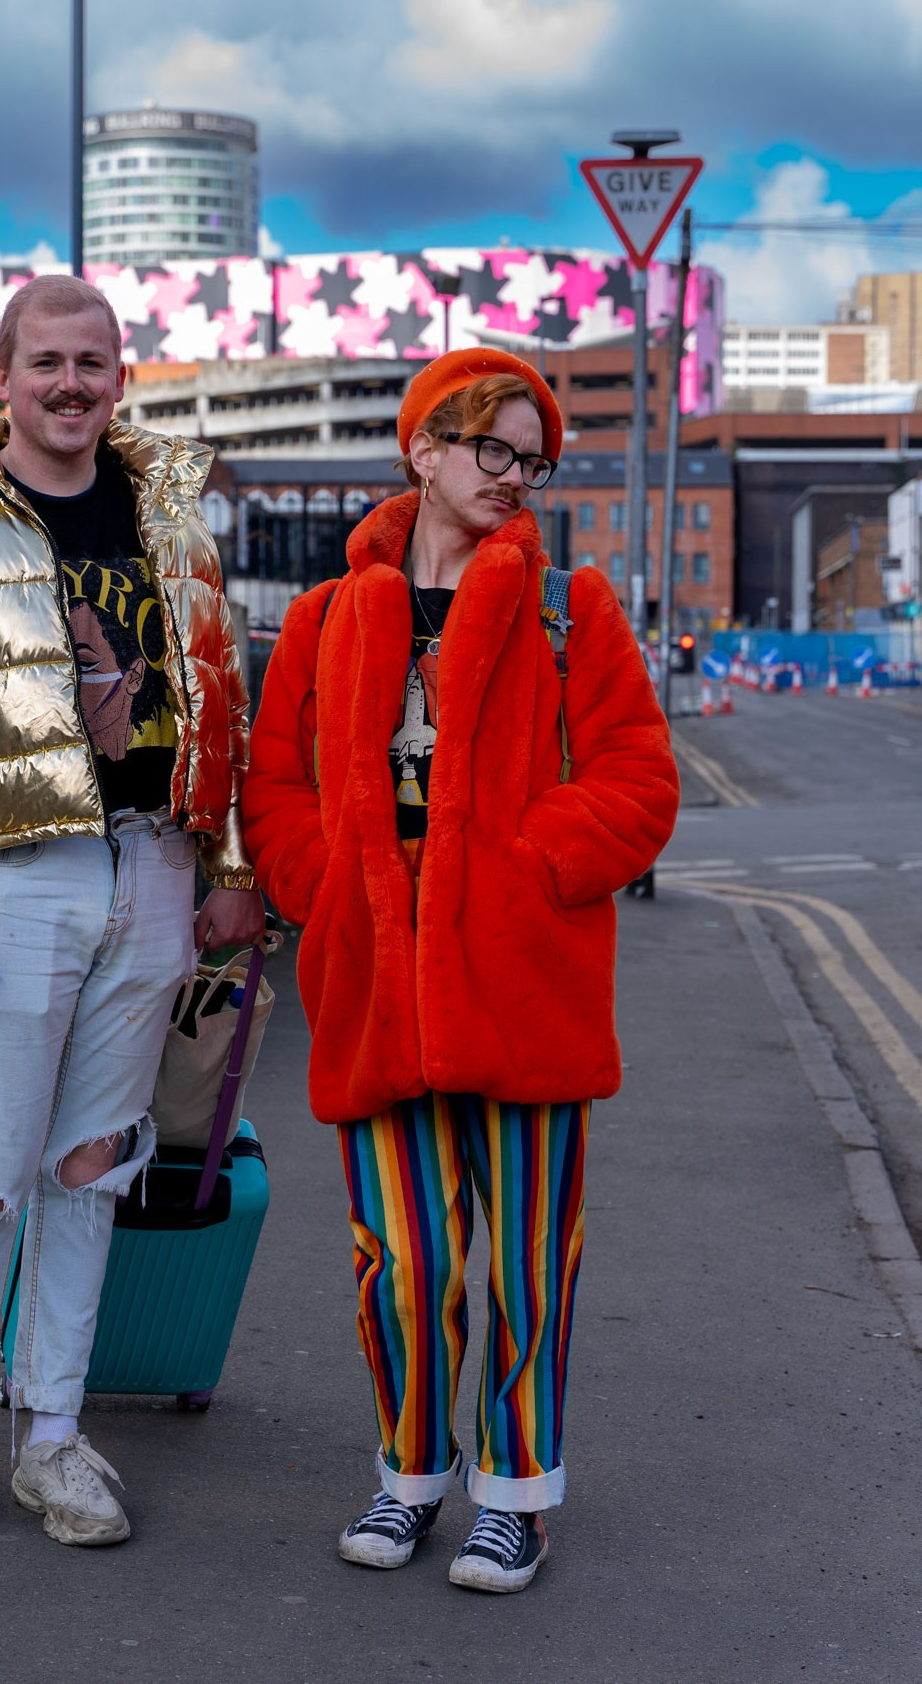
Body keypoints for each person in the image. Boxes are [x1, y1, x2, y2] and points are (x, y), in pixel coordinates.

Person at [243, 347, 679, 1593]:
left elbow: (639, 779)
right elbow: (273, 783)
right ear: (423, 448)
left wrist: (525, 865)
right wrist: (324, 882)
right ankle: (409, 1475)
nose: (513, 475)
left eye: (532, 460)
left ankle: (516, 1495)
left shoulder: (569, 608)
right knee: (402, 1258)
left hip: (522, 978)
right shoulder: (325, 618)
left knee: (531, 1262)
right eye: (491, 446)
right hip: (377, 975)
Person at [0, 276, 264, 1546]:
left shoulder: (173, 518)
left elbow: (221, 698)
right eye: (47, 361)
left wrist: (231, 864)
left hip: (154, 867)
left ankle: (54, 1433)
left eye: (93, 361)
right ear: (4, 375)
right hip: (12, 879)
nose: (71, 383)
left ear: (120, 375)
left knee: (92, 1165)